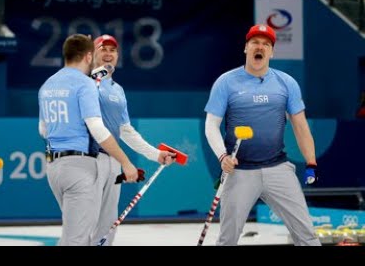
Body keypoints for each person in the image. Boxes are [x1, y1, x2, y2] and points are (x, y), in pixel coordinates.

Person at [204, 24, 321, 246]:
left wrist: (311, 162)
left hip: (278, 169)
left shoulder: (286, 83)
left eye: (266, 44)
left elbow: (300, 125)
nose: (261, 47)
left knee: (307, 235)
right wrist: (222, 156)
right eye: (255, 43)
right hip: (239, 171)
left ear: (272, 52)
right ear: (246, 48)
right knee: (227, 239)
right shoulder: (226, 82)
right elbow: (211, 125)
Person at [38, 33, 139, 246]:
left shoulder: (47, 85)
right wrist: (126, 162)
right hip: (80, 167)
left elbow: (43, 129)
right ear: (88, 56)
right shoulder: (85, 85)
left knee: (73, 233)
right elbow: (98, 130)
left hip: (54, 167)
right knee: (78, 239)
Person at [90, 34, 175, 246]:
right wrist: (94, 73)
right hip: (88, 159)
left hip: (113, 160)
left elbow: (126, 131)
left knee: (108, 222)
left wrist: (156, 154)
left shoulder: (118, 90)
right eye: (103, 49)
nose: (109, 54)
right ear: (93, 53)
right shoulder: (86, 81)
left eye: (113, 50)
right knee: (85, 219)